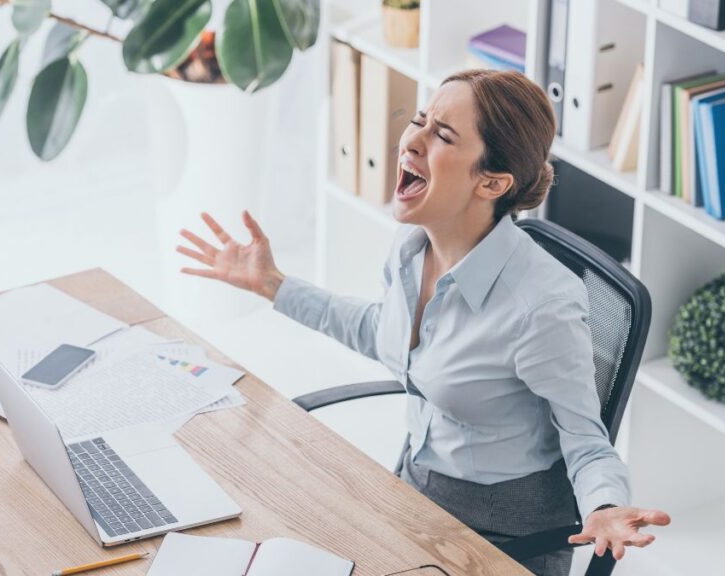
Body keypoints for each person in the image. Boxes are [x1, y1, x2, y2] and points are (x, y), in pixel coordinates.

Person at [176, 69, 670, 576]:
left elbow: (586, 440)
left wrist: (606, 507)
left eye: (443, 135)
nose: (412, 140)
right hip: (414, 490)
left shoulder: (540, 306)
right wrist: (273, 284)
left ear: (493, 182)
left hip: (505, 537)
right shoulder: (413, 248)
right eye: (419, 121)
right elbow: (379, 331)